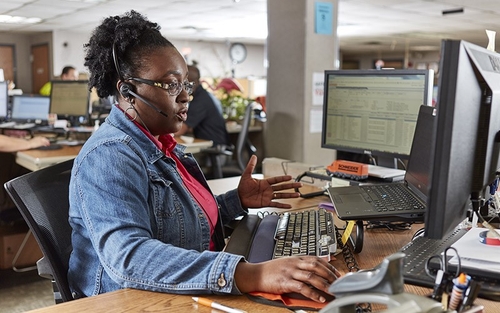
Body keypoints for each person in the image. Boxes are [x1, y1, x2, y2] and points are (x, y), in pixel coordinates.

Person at [68, 10, 340, 303]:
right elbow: (129, 259)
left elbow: (176, 226)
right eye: (171, 84)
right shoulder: (111, 155)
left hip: (176, 290)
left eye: (185, 84)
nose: (186, 96)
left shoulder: (161, 146)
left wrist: (236, 200)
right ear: (128, 91)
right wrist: (254, 274)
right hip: (129, 301)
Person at [174, 64, 230, 147]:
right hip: (215, 146)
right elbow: (190, 126)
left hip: (213, 149)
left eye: (184, 83)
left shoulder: (201, 101)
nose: (182, 87)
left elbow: (181, 129)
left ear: (195, 82)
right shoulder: (206, 96)